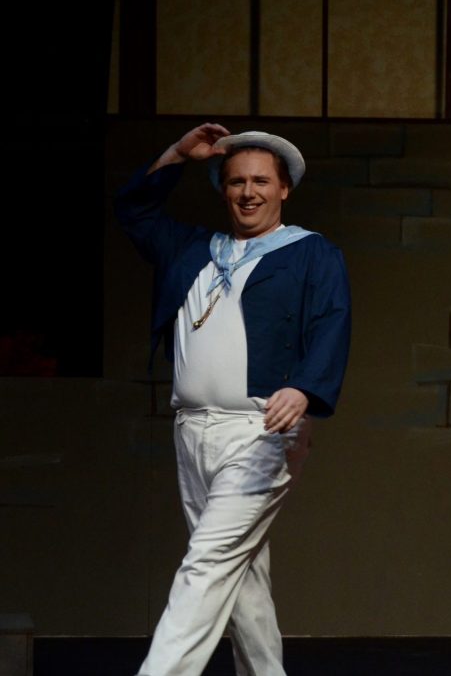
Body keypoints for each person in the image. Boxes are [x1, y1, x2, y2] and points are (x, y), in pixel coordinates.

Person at [115, 123, 352, 676]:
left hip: (261, 431)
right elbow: (134, 211)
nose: (249, 192)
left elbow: (331, 322)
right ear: (223, 189)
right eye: (237, 181)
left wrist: (304, 387)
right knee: (240, 574)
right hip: (193, 430)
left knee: (207, 563)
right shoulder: (194, 249)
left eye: (261, 181)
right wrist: (177, 154)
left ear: (284, 188)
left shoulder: (310, 253)